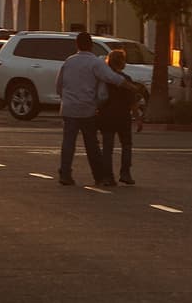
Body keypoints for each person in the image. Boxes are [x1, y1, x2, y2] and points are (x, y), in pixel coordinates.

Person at [55, 31, 138, 187]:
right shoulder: (95, 63)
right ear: (91, 45)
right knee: (92, 145)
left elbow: (59, 85)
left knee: (68, 143)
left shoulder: (68, 62)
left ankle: (65, 174)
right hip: (87, 109)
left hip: (69, 108)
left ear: (77, 45)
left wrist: (65, 99)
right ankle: (98, 176)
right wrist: (130, 87)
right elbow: (112, 78)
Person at [97, 49, 146, 186]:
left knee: (107, 147)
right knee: (126, 144)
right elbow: (133, 103)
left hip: (106, 115)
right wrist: (138, 119)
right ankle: (125, 173)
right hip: (123, 116)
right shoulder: (126, 80)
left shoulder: (105, 80)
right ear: (121, 62)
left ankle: (107, 176)